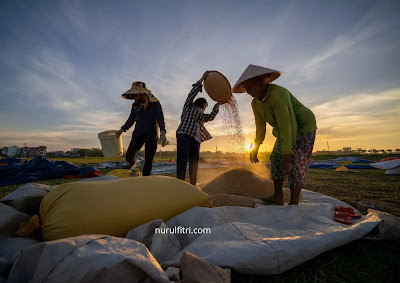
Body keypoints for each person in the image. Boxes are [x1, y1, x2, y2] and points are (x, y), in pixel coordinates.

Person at [232, 64, 317, 205]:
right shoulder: (255, 103)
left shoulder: (278, 95)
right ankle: (278, 197)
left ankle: (294, 202)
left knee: (295, 162)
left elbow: (288, 125)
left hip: (303, 126)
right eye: (245, 88)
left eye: (250, 86)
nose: (248, 91)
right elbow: (260, 127)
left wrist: (287, 155)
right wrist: (255, 147)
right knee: (275, 157)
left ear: (263, 80)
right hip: (284, 129)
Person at [176, 71, 220, 186]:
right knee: (182, 160)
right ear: (202, 104)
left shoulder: (201, 116)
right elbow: (192, 94)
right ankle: (179, 185)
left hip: (195, 140)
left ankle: (192, 186)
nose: (206, 109)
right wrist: (201, 79)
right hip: (184, 135)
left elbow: (210, 117)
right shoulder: (189, 107)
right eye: (206, 106)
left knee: (194, 163)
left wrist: (217, 105)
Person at [116, 81, 167, 176]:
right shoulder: (135, 106)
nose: (134, 97)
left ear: (142, 93)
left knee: (149, 160)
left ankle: (145, 180)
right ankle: (135, 167)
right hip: (138, 134)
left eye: (136, 94)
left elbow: (160, 118)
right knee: (129, 157)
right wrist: (122, 129)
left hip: (151, 136)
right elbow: (131, 119)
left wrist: (163, 133)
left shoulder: (155, 104)